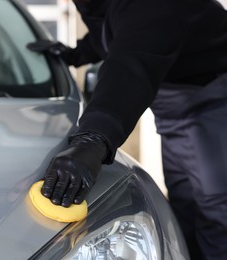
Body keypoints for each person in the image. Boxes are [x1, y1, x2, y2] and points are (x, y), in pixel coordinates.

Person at [31, 0, 227, 259]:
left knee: (218, 208)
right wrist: (77, 53)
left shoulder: (153, 7)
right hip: (175, 112)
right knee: (186, 202)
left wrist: (93, 138)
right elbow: (117, 30)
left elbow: (131, 63)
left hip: (213, 103)